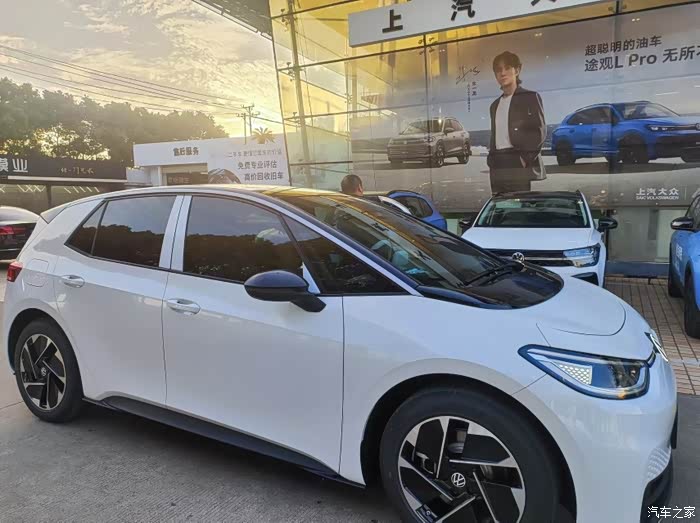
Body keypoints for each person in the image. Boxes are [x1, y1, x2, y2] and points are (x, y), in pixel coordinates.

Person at [487, 51, 547, 194]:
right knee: (499, 204)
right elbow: (495, 136)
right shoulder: (494, 105)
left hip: (517, 160)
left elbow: (539, 131)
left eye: (507, 68)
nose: (503, 73)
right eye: (498, 70)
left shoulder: (530, 97)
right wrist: (491, 160)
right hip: (497, 163)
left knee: (519, 203)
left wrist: (525, 158)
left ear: (517, 70)